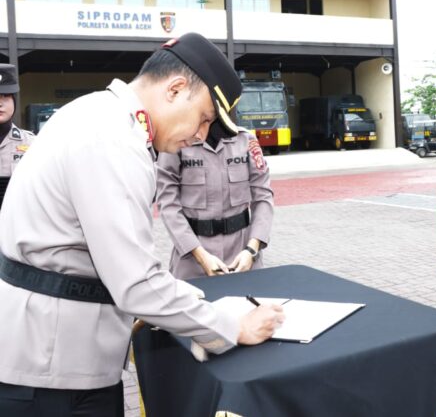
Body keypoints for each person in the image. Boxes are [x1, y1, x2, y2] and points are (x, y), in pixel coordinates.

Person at [0, 32, 285, 416]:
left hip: (56, 355)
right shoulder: (112, 140)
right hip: (54, 371)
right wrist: (231, 326)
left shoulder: (99, 114)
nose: (201, 135)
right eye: (204, 118)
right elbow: (136, 282)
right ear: (176, 89)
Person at [157, 122, 275, 279]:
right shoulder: (177, 141)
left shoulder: (245, 140)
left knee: (252, 303)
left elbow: (263, 196)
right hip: (193, 259)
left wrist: (252, 250)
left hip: (242, 257)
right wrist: (201, 256)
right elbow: (168, 203)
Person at [0, 64, 35, 208]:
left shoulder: (33, 144)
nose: (0, 103)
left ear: (14, 100)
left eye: (6, 96)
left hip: (17, 226)